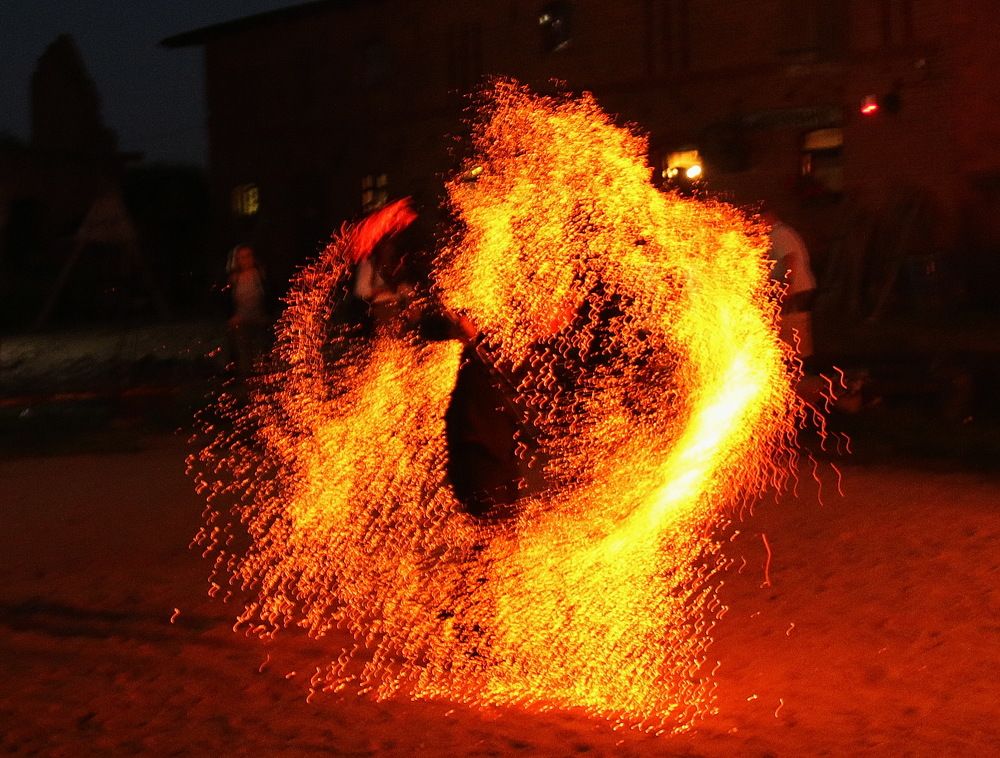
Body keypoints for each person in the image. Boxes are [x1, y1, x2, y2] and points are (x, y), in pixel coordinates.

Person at [762, 205, 817, 368]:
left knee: (791, 327)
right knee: (792, 327)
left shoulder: (779, 235)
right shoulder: (782, 232)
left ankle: (795, 366)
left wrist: (788, 287)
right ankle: (795, 364)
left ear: (768, 217)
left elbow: (790, 259)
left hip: (795, 289)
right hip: (797, 288)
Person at [226, 244, 270, 376]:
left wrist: (267, 314)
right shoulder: (235, 279)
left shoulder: (260, 275)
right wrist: (233, 317)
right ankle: (245, 377)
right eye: (241, 258)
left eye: (248, 256)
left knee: (262, 349)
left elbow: (270, 295)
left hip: (260, 317)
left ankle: (264, 374)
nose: (245, 260)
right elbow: (227, 301)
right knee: (243, 349)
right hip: (241, 319)